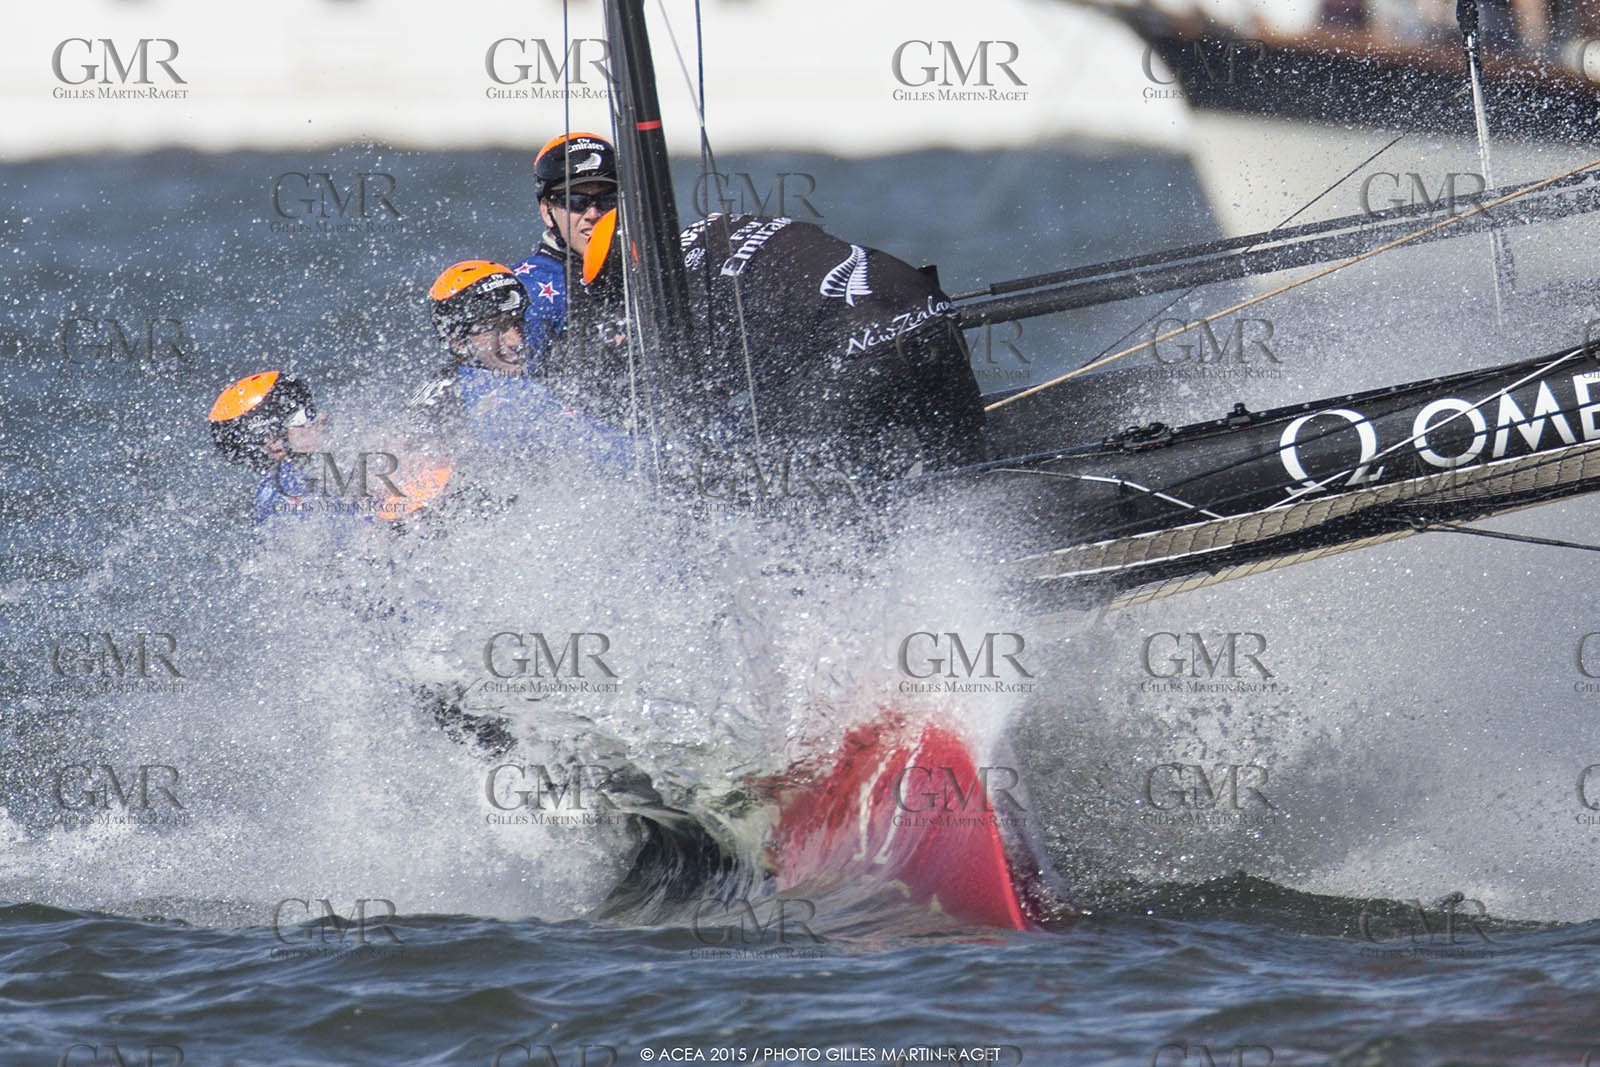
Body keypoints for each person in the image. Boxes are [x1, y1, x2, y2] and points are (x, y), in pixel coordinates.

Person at [419, 259, 638, 466]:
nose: (517, 340)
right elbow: (610, 453)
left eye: (518, 322)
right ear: (458, 343)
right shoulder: (504, 397)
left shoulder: (448, 382)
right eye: (497, 328)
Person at [207, 370, 330, 524]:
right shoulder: (290, 487)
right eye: (306, 415)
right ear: (274, 443)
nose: (322, 417)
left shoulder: (279, 487)